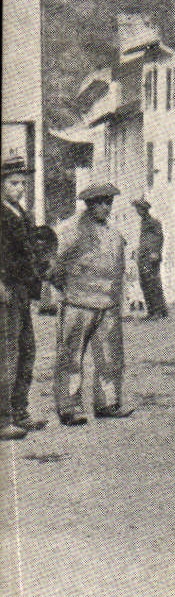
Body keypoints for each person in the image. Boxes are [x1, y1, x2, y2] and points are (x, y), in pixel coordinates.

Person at [48, 184, 133, 425]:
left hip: (108, 304)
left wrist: (120, 300)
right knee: (71, 357)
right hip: (78, 303)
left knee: (110, 357)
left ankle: (108, 403)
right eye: (100, 203)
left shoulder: (113, 233)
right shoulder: (70, 229)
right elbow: (53, 263)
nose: (105, 207)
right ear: (89, 204)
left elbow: (119, 268)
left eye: (108, 202)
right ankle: (69, 407)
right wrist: (65, 288)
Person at [1, 154, 54, 440]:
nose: (20, 188)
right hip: (5, 290)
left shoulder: (20, 212)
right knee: (6, 354)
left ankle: (19, 411)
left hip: (20, 290)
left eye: (23, 183)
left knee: (26, 351)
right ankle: (3, 419)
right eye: (13, 183)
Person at [133, 199, 168, 320]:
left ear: (144, 209)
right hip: (143, 256)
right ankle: (152, 311)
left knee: (153, 283)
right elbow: (145, 240)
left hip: (151, 257)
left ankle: (158, 311)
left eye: (139, 209)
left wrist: (155, 252)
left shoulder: (153, 222)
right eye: (137, 209)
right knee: (145, 283)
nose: (137, 211)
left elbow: (159, 237)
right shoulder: (144, 222)